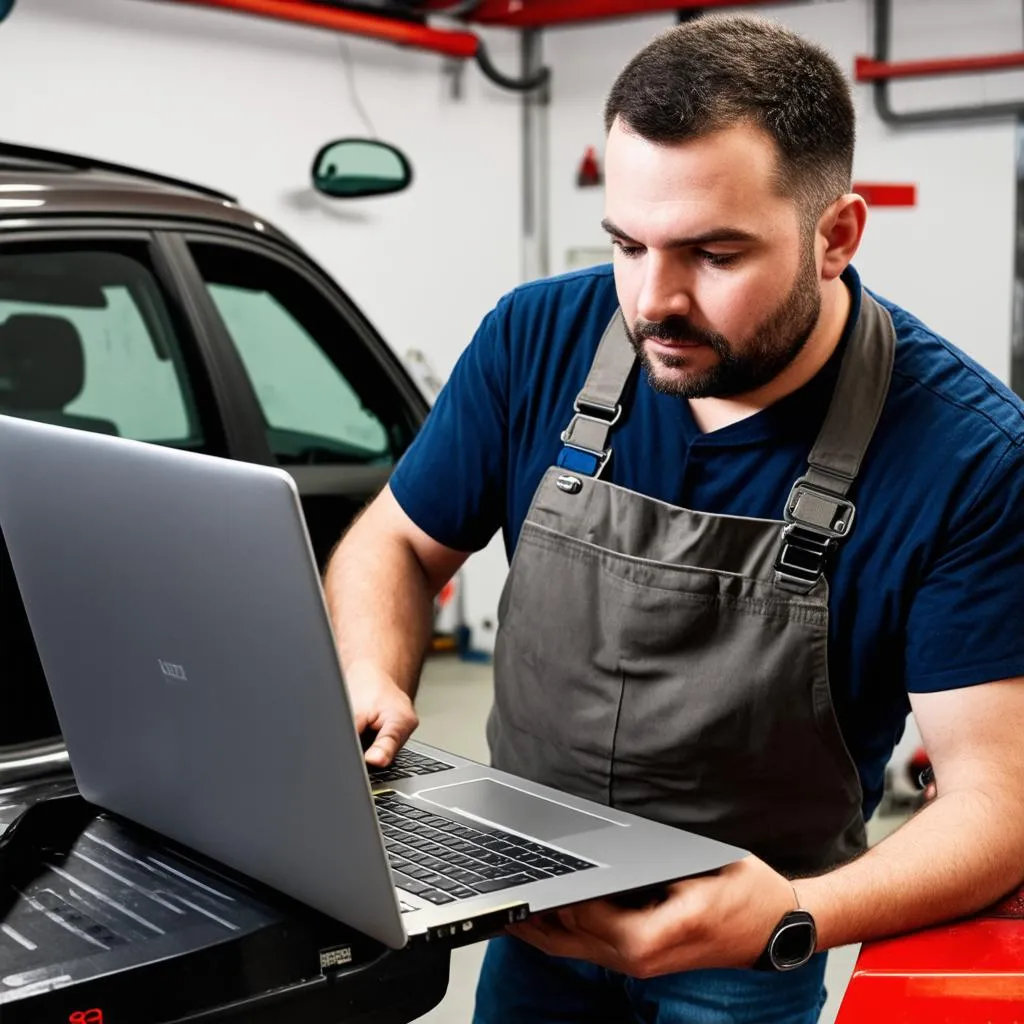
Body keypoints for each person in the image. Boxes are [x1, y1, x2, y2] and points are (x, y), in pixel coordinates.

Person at [324, 13, 1024, 1023]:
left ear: (835, 236)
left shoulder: (968, 457)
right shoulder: (536, 337)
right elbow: (393, 540)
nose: (653, 300)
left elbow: (997, 804)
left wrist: (788, 913)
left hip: (743, 952)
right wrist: (367, 673)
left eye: (713, 253)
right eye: (626, 243)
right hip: (526, 903)